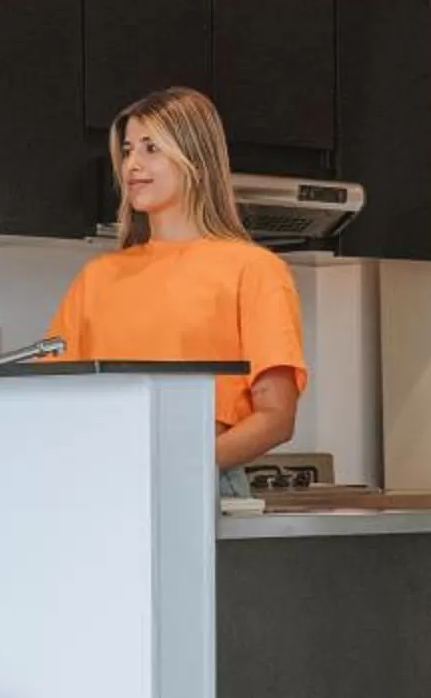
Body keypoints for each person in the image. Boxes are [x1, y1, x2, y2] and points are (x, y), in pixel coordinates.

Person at [45, 87, 307, 489]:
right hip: (103, 481)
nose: (132, 164)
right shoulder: (97, 277)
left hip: (204, 479)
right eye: (128, 150)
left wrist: (183, 467)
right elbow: (53, 400)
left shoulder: (254, 270)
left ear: (196, 160)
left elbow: (276, 416)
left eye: (152, 148)